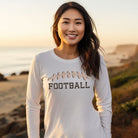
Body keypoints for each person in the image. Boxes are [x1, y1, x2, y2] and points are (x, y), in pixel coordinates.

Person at [26, 1, 112, 138]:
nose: (72, 28)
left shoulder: (95, 59)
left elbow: (105, 103)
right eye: (66, 22)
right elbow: (32, 105)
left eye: (78, 23)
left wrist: (107, 135)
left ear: (85, 27)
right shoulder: (41, 60)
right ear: (56, 26)